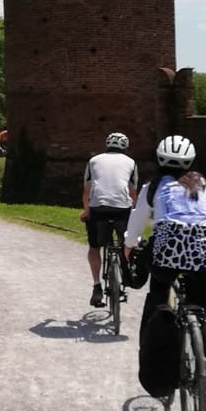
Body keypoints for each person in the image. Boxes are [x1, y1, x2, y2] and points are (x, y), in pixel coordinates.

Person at [125, 134, 206, 411]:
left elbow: (137, 220)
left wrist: (130, 246)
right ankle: (204, 383)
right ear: (191, 161)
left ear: (158, 160)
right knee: (199, 313)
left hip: (168, 250)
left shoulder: (153, 185)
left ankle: (160, 347)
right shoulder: (203, 184)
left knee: (159, 294)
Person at [79, 132, 138, 308]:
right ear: (125, 149)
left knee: (94, 246)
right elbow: (133, 192)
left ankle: (97, 286)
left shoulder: (93, 161)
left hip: (98, 209)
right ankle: (125, 274)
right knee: (125, 243)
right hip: (122, 209)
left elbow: (86, 192)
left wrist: (86, 211)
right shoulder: (131, 163)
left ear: (107, 146)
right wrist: (132, 212)